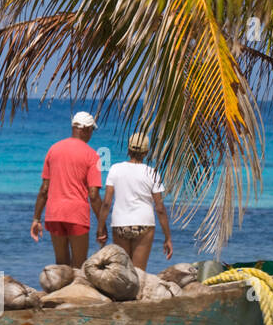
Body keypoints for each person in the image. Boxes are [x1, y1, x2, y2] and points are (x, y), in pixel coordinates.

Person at [31, 112, 105, 267]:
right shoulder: (92, 155)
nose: (91, 134)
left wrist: (36, 219)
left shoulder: (53, 150)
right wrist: (102, 224)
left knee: (61, 266)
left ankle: (60, 291)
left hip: (54, 213)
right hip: (76, 214)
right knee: (79, 266)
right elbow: (93, 195)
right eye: (91, 130)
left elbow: (44, 189)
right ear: (85, 129)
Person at [98, 131, 173, 269]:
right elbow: (160, 208)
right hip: (144, 224)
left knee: (122, 271)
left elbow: (107, 203)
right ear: (146, 152)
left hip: (120, 224)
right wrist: (167, 237)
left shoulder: (115, 169)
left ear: (128, 149)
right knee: (138, 272)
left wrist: (101, 227)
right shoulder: (152, 173)